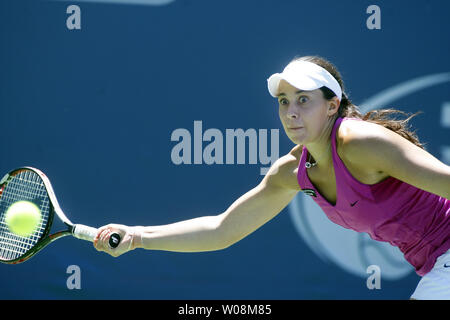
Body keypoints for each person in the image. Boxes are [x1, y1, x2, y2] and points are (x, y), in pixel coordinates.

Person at [93, 56, 450, 300]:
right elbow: (222, 230)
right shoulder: (291, 172)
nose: (291, 112)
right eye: (283, 101)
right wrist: (138, 237)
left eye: (303, 100)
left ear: (332, 105)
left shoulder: (360, 142)